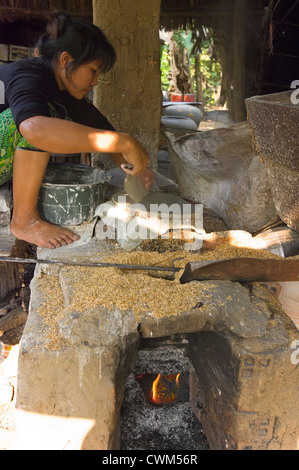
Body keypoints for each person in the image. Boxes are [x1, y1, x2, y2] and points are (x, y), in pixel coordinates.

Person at [0, 12, 154, 250]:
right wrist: (121, 142)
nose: (95, 81)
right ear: (65, 60)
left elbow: (99, 129)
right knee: (42, 121)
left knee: (57, 118)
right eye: (93, 70)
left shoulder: (63, 92)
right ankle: (24, 221)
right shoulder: (26, 74)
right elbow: (33, 128)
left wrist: (134, 168)